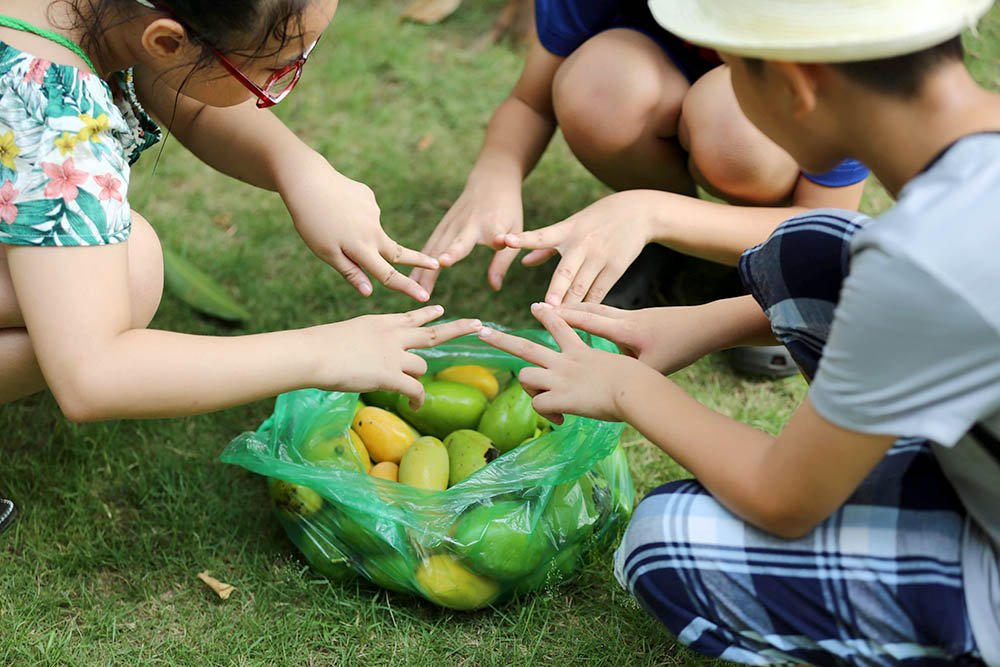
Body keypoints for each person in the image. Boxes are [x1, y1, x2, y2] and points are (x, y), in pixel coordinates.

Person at [476, 0, 1000, 663]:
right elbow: (916, 297)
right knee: (812, 245)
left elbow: (784, 499)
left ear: (796, 84)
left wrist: (627, 388)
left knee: (664, 544)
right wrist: (705, 323)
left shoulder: (926, 258)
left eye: (731, 66)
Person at [0, 0, 483, 529]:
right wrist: (324, 352)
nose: (284, 78)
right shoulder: (57, 116)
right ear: (168, 40)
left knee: (112, 274)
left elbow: (169, 81)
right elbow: (93, 375)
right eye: (277, 68)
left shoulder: (97, 15)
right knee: (130, 274)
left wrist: (297, 167)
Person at [410, 0, 869, 311]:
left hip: (755, 144)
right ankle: (661, 245)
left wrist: (651, 211)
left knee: (737, 128)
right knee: (599, 85)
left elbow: (828, 223)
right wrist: (495, 173)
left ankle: (765, 265)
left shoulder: (838, 25)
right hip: (660, 76)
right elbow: (530, 101)